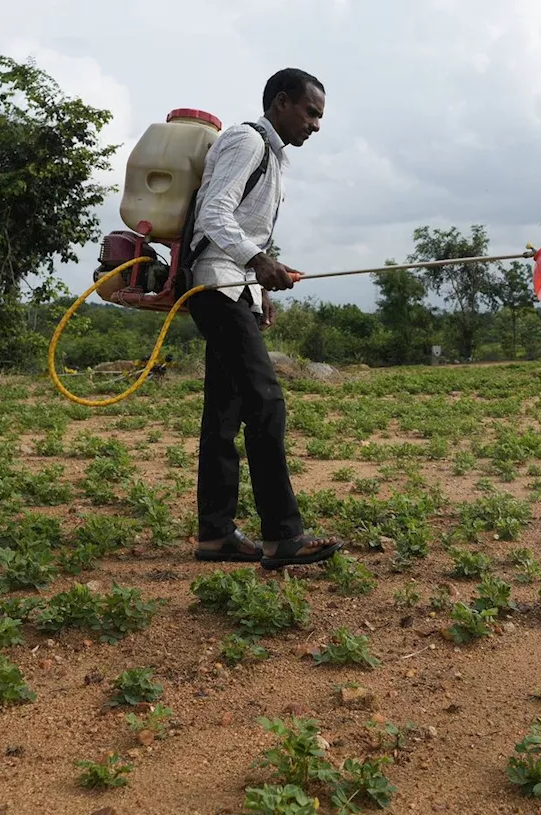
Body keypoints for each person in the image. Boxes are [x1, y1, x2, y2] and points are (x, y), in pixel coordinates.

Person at [185, 67, 343, 570]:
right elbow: (214, 214)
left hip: (234, 288)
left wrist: (258, 286)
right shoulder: (246, 141)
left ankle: (216, 535)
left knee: (225, 413)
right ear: (280, 102)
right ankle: (282, 537)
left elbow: (240, 230)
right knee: (266, 403)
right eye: (310, 112)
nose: (316, 125)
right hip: (216, 284)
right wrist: (258, 264)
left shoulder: (274, 160)